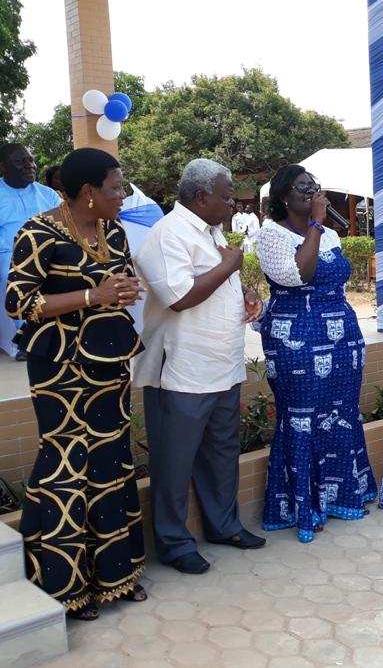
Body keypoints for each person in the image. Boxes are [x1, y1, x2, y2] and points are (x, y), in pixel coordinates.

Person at [5, 148, 146, 620]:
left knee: (111, 459)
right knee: (68, 465)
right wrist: (93, 295)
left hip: (109, 363)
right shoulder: (38, 232)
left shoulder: (114, 230)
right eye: (116, 188)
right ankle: (68, 586)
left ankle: (115, 576)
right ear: (89, 192)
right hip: (60, 369)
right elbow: (18, 303)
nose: (122, 196)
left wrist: (125, 291)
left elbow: (118, 282)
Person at [133, 159, 266, 575]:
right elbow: (180, 297)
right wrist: (230, 266)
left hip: (222, 363)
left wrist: (242, 291)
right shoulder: (166, 235)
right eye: (226, 196)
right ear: (201, 196)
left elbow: (215, 281)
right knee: (175, 460)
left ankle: (223, 526)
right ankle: (173, 542)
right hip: (181, 370)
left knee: (221, 452)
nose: (232, 203)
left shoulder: (212, 233)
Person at [254, 164, 376, 542]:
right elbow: (298, 275)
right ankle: (303, 506)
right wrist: (315, 225)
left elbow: (334, 277)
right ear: (283, 197)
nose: (311, 193)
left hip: (342, 339)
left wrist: (321, 228)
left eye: (315, 186)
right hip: (296, 340)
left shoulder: (331, 235)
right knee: (302, 417)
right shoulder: (271, 235)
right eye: (302, 187)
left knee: (340, 414)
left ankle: (341, 495)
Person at [0, 143, 61, 359]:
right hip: (8, 253)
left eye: (30, 160)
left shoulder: (49, 195)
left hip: (49, 250)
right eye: (20, 162)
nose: (29, 166)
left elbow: (65, 226)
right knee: (11, 273)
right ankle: (25, 338)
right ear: (3, 167)